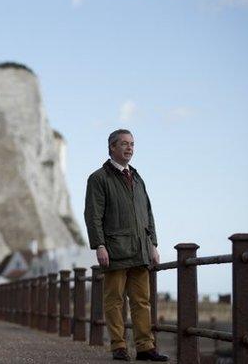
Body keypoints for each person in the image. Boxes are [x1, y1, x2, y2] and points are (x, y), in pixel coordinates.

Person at [84, 129, 168, 362]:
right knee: (114, 300)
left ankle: (144, 347)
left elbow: (148, 214)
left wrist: (153, 244)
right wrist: (99, 245)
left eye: (132, 144)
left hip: (140, 249)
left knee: (142, 300)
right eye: (124, 144)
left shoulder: (138, 178)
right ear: (112, 147)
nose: (129, 148)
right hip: (115, 250)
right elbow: (93, 215)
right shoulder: (99, 178)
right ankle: (119, 346)